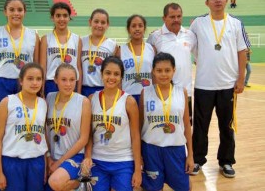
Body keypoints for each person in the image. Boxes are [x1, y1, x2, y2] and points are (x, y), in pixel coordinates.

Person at [190, 0, 250, 178]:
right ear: (207, 2)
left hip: (228, 86)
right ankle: (198, 159)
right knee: (200, 126)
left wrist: (241, 79)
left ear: (226, 1)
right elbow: (187, 45)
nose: (217, 0)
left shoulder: (235, 23)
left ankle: (226, 161)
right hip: (203, 85)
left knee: (227, 125)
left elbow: (243, 52)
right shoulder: (198, 23)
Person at [83, 56, 142, 191]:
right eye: (108, 73)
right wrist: (88, 156)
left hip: (123, 161)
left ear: (121, 77)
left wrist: (137, 169)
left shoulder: (129, 101)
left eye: (116, 74)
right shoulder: (91, 99)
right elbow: (89, 134)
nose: (112, 77)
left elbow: (135, 136)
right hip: (98, 160)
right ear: (101, 74)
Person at [140, 52, 194, 191]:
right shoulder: (145, 92)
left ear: (174, 70)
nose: (163, 74)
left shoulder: (181, 92)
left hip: (176, 149)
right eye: (159, 70)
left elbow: (187, 125)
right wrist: (139, 154)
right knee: (153, 188)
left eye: (167, 70)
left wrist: (191, 155)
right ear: (153, 71)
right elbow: (140, 125)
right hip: (151, 149)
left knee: (185, 187)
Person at [0, 63, 48, 191]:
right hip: (12, 162)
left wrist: (44, 165)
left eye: (38, 79)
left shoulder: (43, 104)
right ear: (21, 81)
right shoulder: (7, 102)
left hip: (36, 161)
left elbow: (43, 136)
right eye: (30, 78)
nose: (34, 82)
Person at [0, 0, 40, 116]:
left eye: (19, 10)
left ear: (24, 12)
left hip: (24, 83)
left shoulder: (33, 35)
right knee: (2, 122)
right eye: (12, 9)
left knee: (23, 121)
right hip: (0, 81)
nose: (16, 13)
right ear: (5, 12)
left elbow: (37, 65)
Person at [45, 63, 91, 191]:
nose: (68, 84)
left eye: (72, 80)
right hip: (53, 156)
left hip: (73, 156)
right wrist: (48, 158)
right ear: (55, 80)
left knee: (55, 182)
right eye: (64, 80)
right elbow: (45, 131)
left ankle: (81, 182)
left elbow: (83, 139)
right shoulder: (49, 98)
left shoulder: (83, 102)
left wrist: (59, 163)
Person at [147, 3, 195, 124]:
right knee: (162, 127)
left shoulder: (190, 35)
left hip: (185, 92)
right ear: (164, 18)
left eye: (179, 16)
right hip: (162, 92)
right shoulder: (154, 37)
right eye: (172, 17)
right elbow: (149, 65)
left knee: (185, 128)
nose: (176, 20)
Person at [40, 2, 82, 96]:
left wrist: (78, 91)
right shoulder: (46, 39)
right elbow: (43, 67)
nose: (61, 19)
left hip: (70, 83)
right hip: (51, 83)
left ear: (69, 18)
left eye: (65, 15)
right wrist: (41, 91)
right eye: (58, 15)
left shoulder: (77, 39)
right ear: (52, 18)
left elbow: (78, 67)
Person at [117, 14, 154, 105]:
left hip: (148, 95)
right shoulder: (121, 50)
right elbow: (118, 77)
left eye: (140, 26)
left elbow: (155, 75)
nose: (137, 28)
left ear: (144, 28)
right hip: (127, 96)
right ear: (128, 29)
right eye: (133, 26)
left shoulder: (152, 49)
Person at [81, 9, 118, 97]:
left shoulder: (112, 45)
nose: (99, 25)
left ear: (107, 25)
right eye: (96, 21)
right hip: (84, 88)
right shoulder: (81, 41)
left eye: (103, 22)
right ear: (90, 22)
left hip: (103, 88)